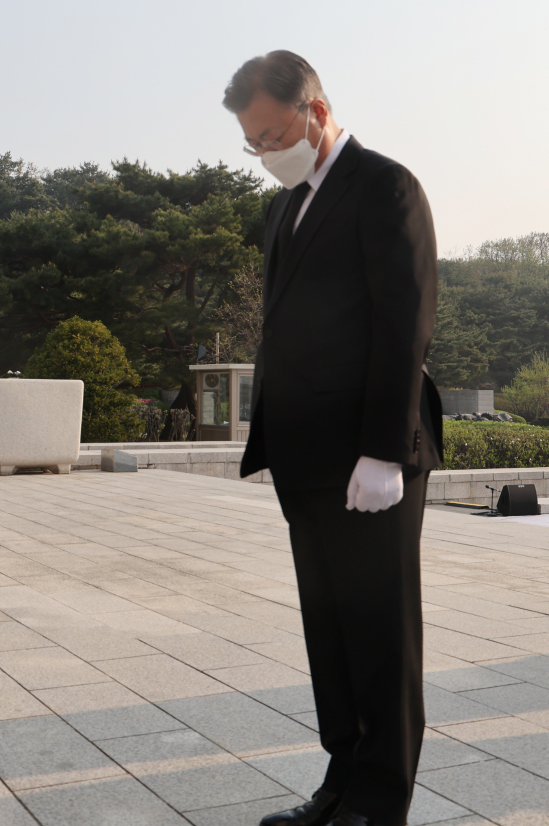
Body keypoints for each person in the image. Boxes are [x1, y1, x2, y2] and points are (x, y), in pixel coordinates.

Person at [223, 51, 442, 826]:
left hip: (367, 455)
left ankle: (381, 800)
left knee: (379, 630)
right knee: (332, 629)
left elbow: (402, 323)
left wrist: (384, 450)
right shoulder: (286, 206)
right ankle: (341, 781)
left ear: (316, 110)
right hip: (307, 456)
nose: (264, 153)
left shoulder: (385, 186)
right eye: (251, 142)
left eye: (272, 134)